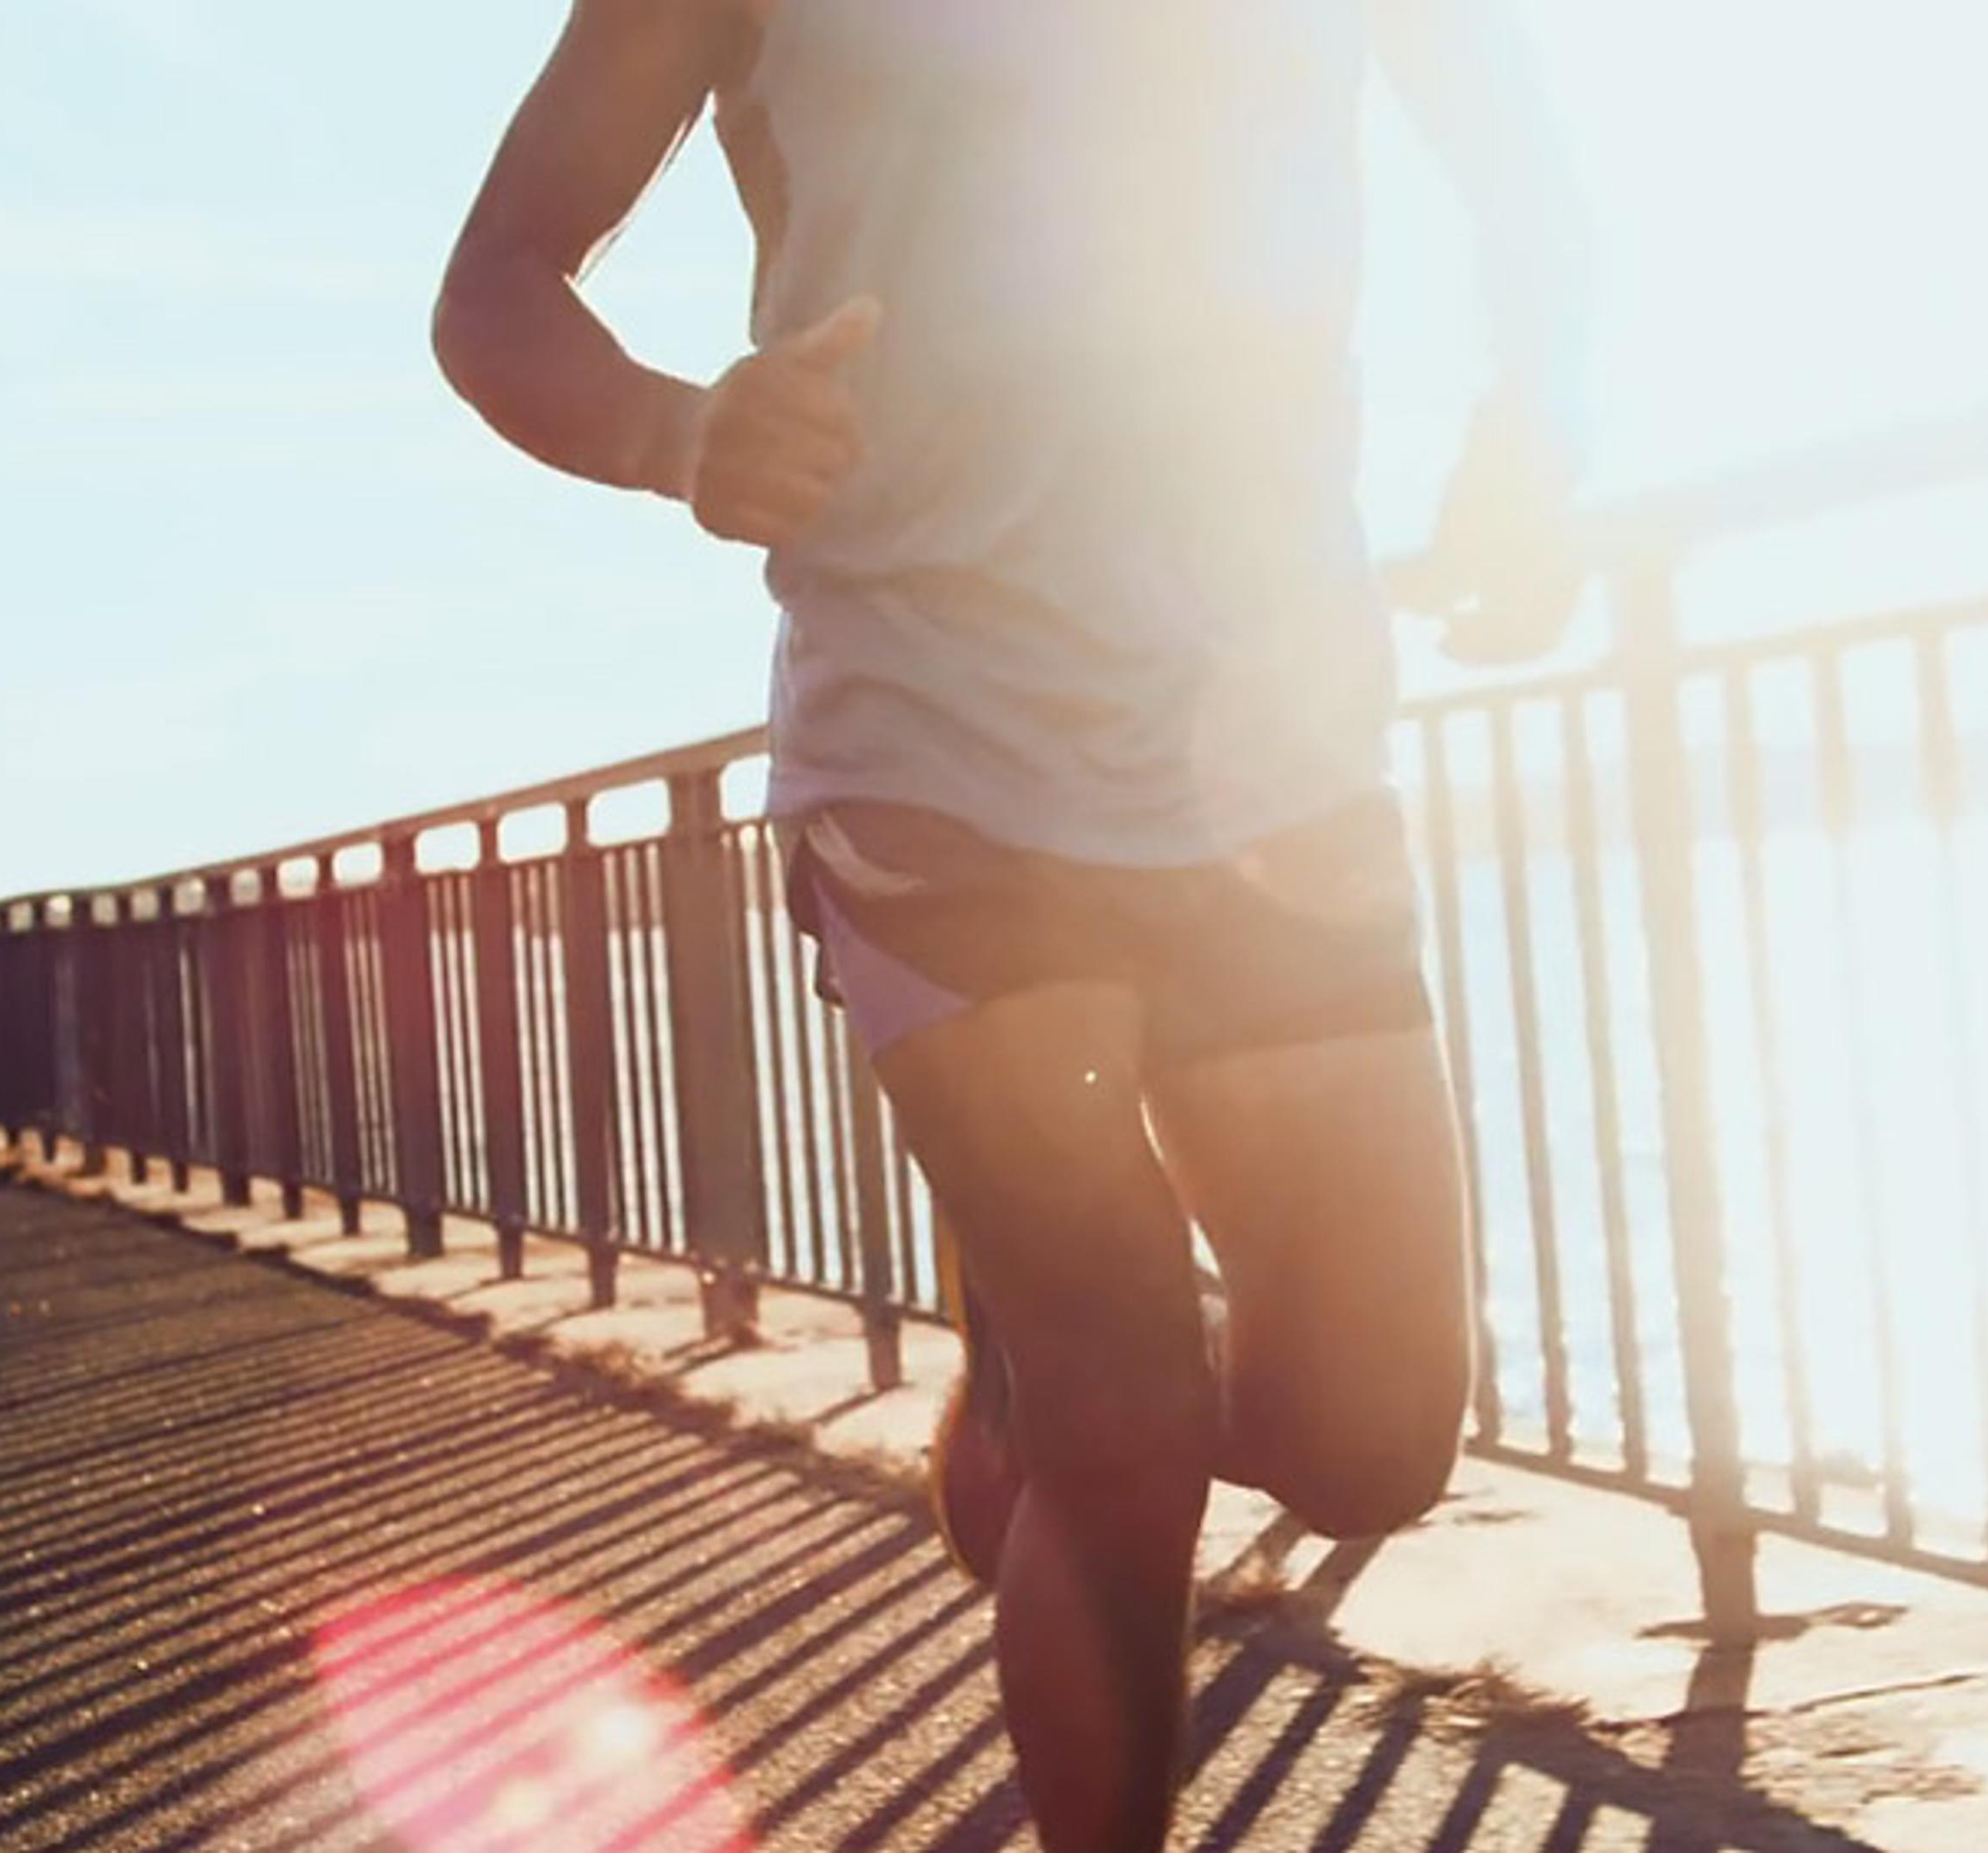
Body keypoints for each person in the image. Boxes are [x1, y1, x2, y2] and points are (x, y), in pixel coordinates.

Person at [432, 3, 1586, 1847]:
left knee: (1374, 1437)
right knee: (1125, 1421)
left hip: (1267, 755)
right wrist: (680, 433)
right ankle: (1068, 1350)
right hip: (930, 739)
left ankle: (1025, 1357)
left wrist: (1540, 421)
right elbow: (494, 285)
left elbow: (1517, 150)